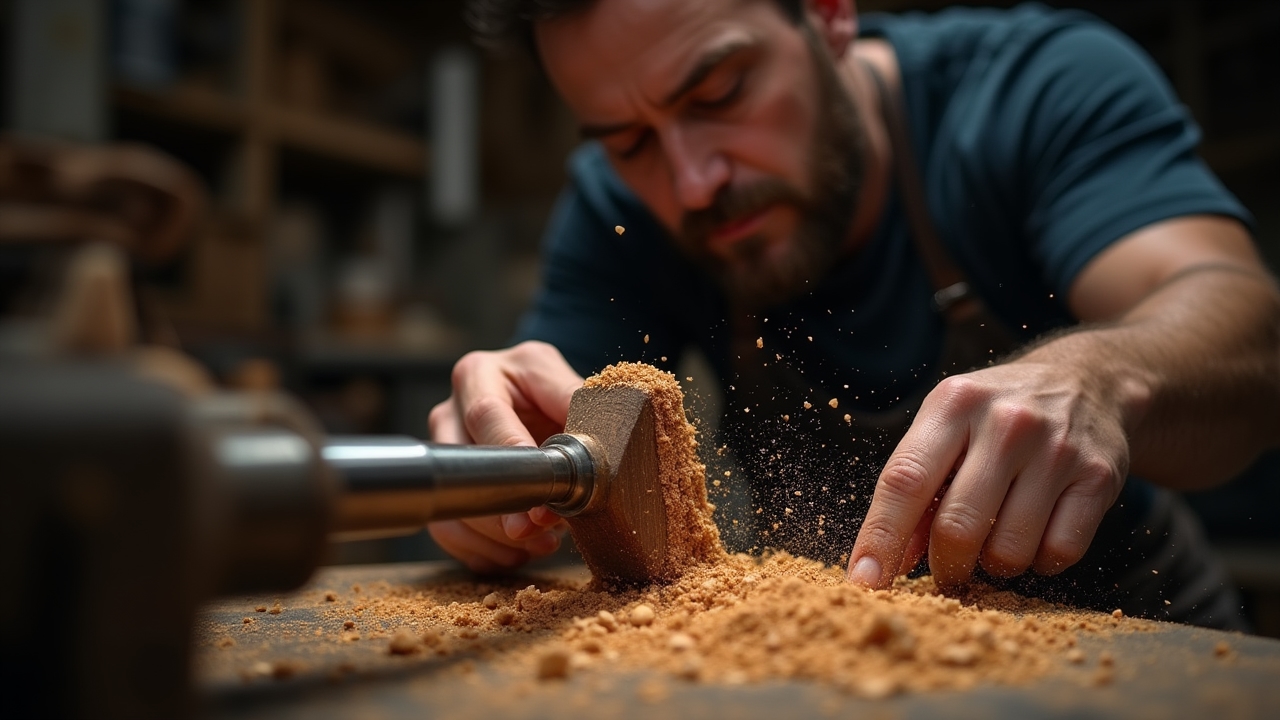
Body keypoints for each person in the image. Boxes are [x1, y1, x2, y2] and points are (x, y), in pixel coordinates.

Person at [428, 0, 1280, 628]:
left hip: (1131, 634)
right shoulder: (617, 210)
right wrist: (493, 474)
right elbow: (553, 420)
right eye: (628, 141)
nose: (693, 182)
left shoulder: (1036, 89)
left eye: (720, 92)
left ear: (830, 15)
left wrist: (1100, 379)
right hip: (835, 650)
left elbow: (1244, 326)